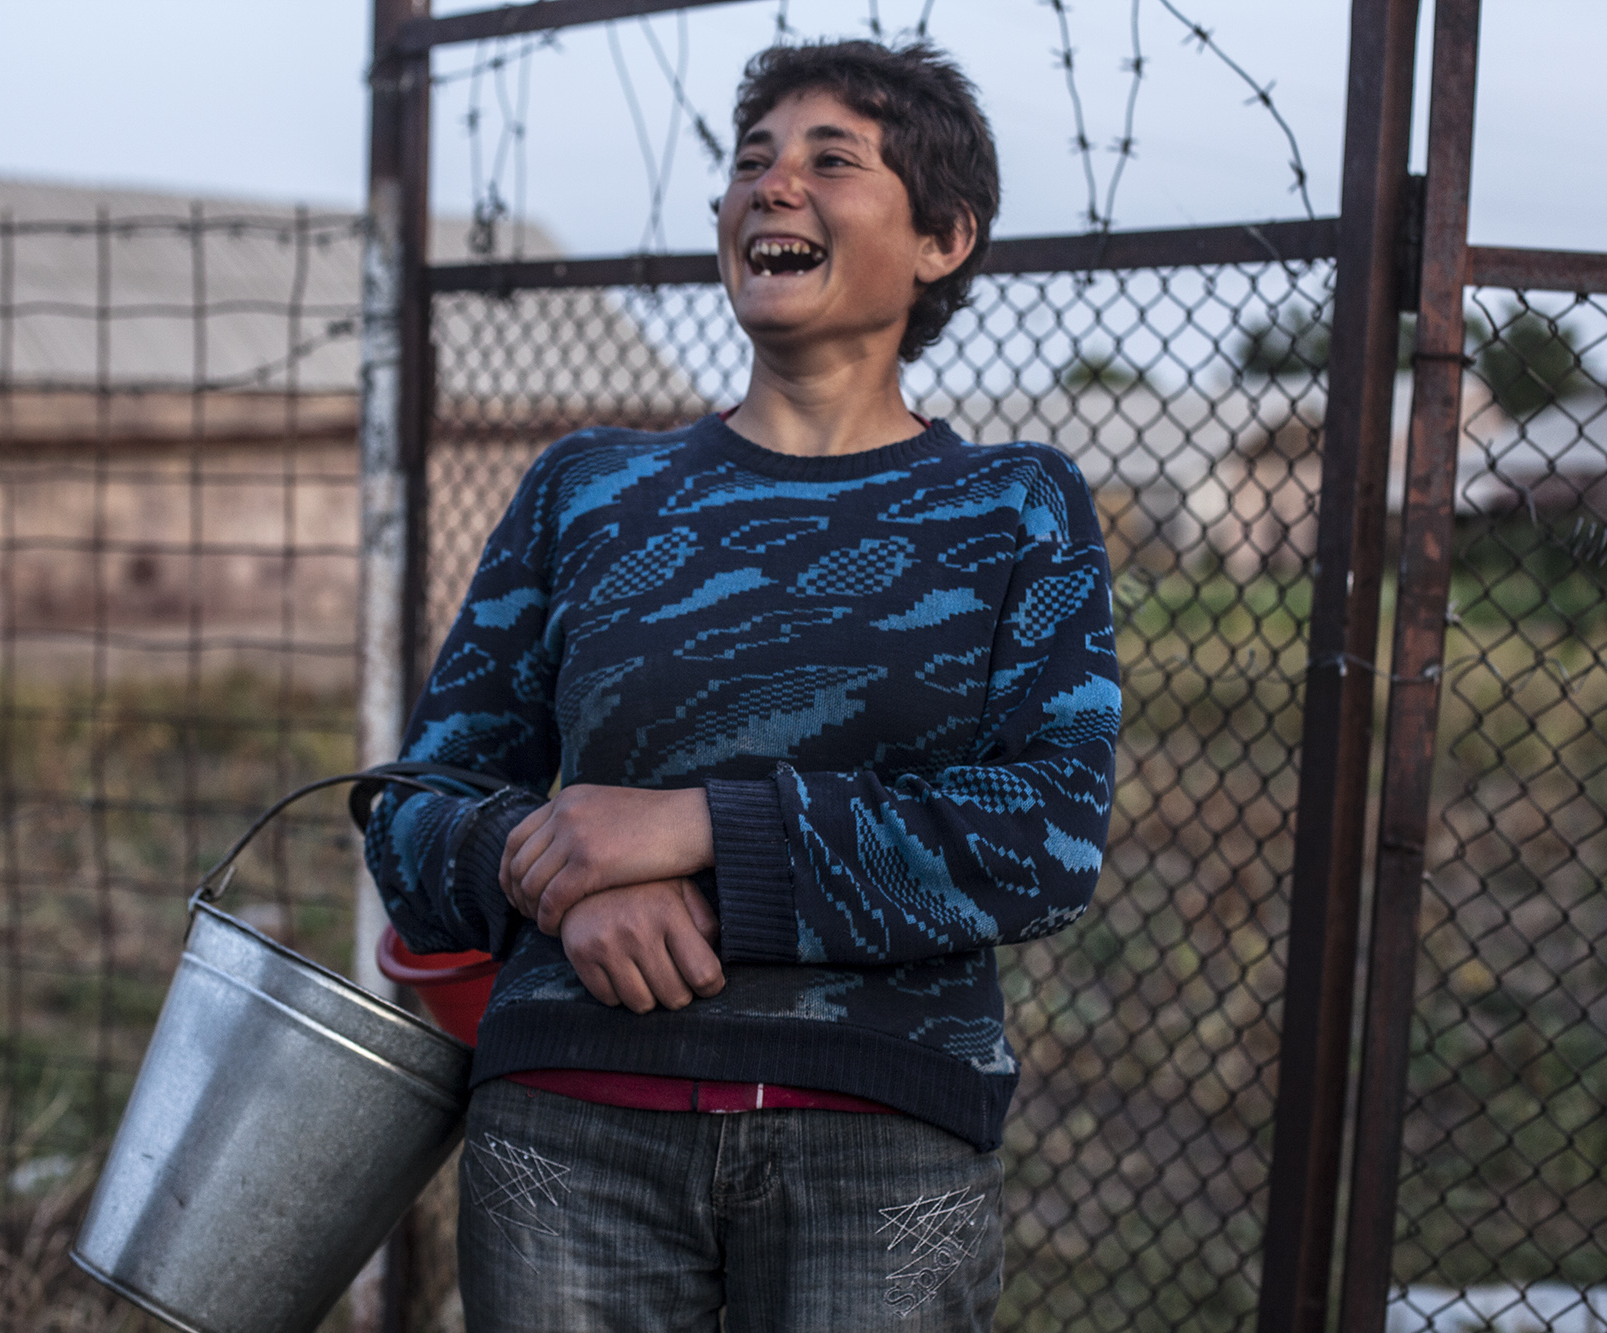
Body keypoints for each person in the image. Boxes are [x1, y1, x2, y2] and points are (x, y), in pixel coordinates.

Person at [362, 37, 1119, 1333]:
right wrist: (554, 876)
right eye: (752, 160)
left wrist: (694, 828)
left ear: (943, 237)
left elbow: (1042, 834)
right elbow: (414, 808)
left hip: (879, 1146)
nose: (772, 186)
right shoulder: (589, 488)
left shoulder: (1014, 508)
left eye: (833, 160)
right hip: (569, 1140)